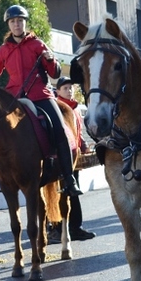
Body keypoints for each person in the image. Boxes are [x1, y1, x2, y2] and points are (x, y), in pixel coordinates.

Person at [0, 5, 82, 197]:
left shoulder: (38, 45)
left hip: (40, 95)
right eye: (13, 21)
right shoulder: (4, 50)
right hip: (14, 98)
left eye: (20, 21)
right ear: (9, 25)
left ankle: (69, 179)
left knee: (59, 128)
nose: (16, 24)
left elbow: (55, 73)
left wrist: (50, 60)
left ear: (25, 23)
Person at [46, 77, 96, 242]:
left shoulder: (74, 108)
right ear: (58, 91)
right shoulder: (57, 108)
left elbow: (78, 133)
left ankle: (75, 227)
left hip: (74, 152)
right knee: (60, 192)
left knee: (73, 191)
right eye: (65, 88)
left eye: (71, 87)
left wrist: (83, 145)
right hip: (61, 155)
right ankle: (57, 227)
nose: (69, 91)